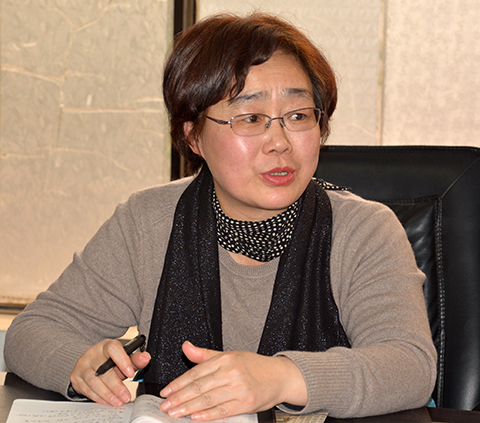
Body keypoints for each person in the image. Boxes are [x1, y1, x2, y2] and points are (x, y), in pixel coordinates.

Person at [4, 12, 437, 420]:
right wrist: (78, 363)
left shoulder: (363, 230)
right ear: (193, 136)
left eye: (298, 115)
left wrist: (280, 377)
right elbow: (32, 331)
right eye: (250, 118)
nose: (280, 141)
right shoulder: (148, 221)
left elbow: (410, 366)